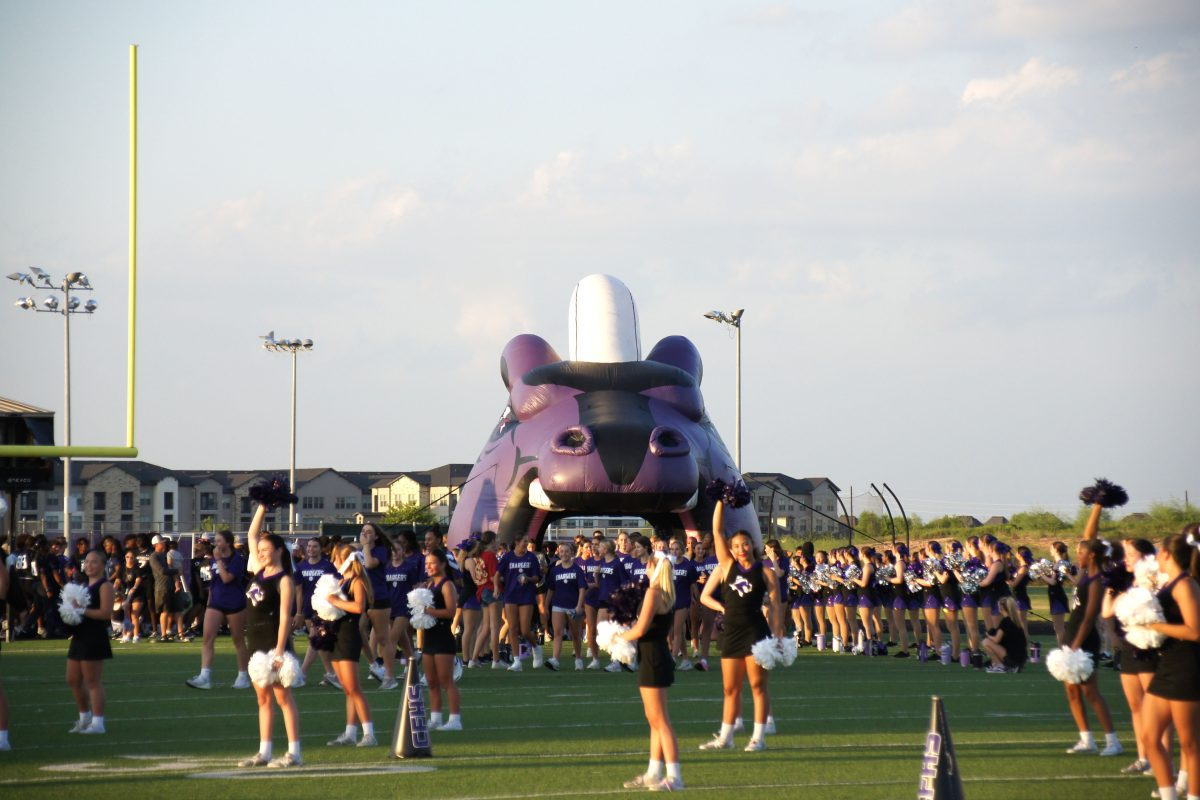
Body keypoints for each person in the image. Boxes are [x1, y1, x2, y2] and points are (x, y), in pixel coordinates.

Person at [699, 497, 784, 752]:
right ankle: (725, 738)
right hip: (732, 632)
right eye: (736, 545)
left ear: (752, 545)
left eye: (745, 544)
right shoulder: (726, 566)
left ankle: (758, 738)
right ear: (731, 549)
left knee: (758, 686)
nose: (741, 548)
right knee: (730, 688)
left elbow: (777, 606)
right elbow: (716, 530)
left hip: (756, 632)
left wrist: (778, 635)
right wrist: (720, 502)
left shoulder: (765, 572)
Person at [237, 502, 302, 768]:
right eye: (260, 550)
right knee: (262, 698)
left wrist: (279, 651)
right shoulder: (257, 571)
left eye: (267, 549)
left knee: (283, 698)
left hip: (275, 643)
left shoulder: (284, 579)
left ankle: (294, 753)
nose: (261, 552)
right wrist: (263, 506)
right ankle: (264, 752)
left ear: (279, 551)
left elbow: (286, 615)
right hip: (255, 642)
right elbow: (252, 534)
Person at [1140, 528, 1200, 800]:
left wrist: (1154, 625)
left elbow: (1194, 630)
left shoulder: (1186, 584)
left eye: (1157, 553)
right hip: (1167, 666)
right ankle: (1168, 796)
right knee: (1150, 739)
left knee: (1190, 744)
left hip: (1186, 667)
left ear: (1165, 553)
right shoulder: (1170, 583)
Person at [620, 551, 683, 792]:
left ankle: (675, 776)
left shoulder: (654, 592)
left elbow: (640, 630)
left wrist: (615, 637)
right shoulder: (664, 593)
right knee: (654, 720)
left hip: (654, 660)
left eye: (648, 564)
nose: (645, 567)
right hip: (654, 657)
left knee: (661, 721)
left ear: (654, 568)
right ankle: (653, 772)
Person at [1062, 538, 1122, 757]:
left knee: (1090, 692)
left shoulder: (1097, 581)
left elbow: (1089, 618)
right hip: (1072, 636)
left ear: (1092, 555)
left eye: (1080, 553)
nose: (1077, 556)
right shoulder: (1085, 575)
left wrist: (1076, 646)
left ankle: (1112, 741)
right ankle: (1086, 739)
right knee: (1072, 691)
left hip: (1085, 640)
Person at [324, 543, 376, 747]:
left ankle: (369, 733)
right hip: (337, 634)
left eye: (336, 558)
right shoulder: (342, 581)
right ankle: (350, 733)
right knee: (347, 689)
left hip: (349, 636)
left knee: (354, 688)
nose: (333, 562)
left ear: (345, 560)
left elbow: (358, 607)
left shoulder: (356, 582)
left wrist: (334, 601)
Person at [186, 530, 251, 690]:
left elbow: (227, 578)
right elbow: (215, 582)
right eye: (216, 541)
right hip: (216, 601)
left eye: (220, 541)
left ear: (228, 543)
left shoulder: (237, 559)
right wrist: (209, 602)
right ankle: (205, 676)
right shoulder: (213, 559)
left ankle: (243, 676)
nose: (216, 544)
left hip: (235, 602)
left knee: (238, 640)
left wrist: (219, 560)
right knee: (208, 639)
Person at [66, 549, 114, 734]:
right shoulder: (83, 585)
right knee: (73, 680)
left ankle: (98, 723)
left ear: (102, 565)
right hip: (80, 636)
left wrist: (80, 610)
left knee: (92, 681)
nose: (88, 565)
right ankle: (84, 718)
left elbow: (105, 613)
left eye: (94, 562)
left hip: (94, 636)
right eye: (86, 561)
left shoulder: (105, 585)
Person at [421, 548, 462, 730]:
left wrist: (429, 611)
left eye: (432, 563)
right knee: (431, 681)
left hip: (443, 637)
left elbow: (451, 612)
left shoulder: (447, 585)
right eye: (426, 563)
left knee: (446, 680)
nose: (428, 566)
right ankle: (435, 718)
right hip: (429, 637)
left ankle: (455, 720)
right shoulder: (429, 584)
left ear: (442, 564)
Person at [294, 538, 339, 688]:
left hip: (323, 609)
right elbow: (299, 591)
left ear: (321, 549)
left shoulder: (327, 566)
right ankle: (332, 673)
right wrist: (298, 612)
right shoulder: (301, 566)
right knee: (316, 643)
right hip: (308, 608)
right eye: (309, 546)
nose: (311, 549)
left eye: (315, 546)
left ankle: (302, 674)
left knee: (315, 640)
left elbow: (336, 586)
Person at [359, 523, 398, 690]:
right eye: (363, 532)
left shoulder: (380, 551)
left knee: (383, 638)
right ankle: (374, 665)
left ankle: (390, 676)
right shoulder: (359, 552)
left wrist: (366, 546)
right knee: (358, 630)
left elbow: (369, 564)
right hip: (363, 598)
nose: (365, 534)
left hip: (379, 598)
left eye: (369, 532)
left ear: (376, 536)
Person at [496, 534, 543, 671]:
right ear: (517, 542)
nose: (526, 544)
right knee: (512, 627)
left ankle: (536, 647)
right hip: (510, 595)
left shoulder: (531, 557)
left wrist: (527, 578)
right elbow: (497, 574)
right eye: (524, 541)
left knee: (525, 629)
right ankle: (517, 662)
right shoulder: (507, 557)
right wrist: (496, 588)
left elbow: (537, 577)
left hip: (527, 595)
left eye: (527, 542)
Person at [546, 541, 588, 671]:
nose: (564, 554)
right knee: (558, 633)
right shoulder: (555, 570)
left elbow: (582, 588)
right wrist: (546, 605)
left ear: (572, 553)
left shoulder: (577, 569)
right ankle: (555, 660)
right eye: (562, 551)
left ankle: (578, 659)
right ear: (559, 552)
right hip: (558, 605)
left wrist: (579, 606)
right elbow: (551, 589)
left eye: (567, 551)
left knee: (575, 634)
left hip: (573, 606)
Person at [983, 596, 1028, 673]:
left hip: (1012, 658)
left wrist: (988, 636)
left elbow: (997, 640)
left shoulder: (1006, 621)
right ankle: (1010, 666)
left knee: (986, 642)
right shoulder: (1016, 621)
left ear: (1001, 608)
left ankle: (999, 666)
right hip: (1021, 659)